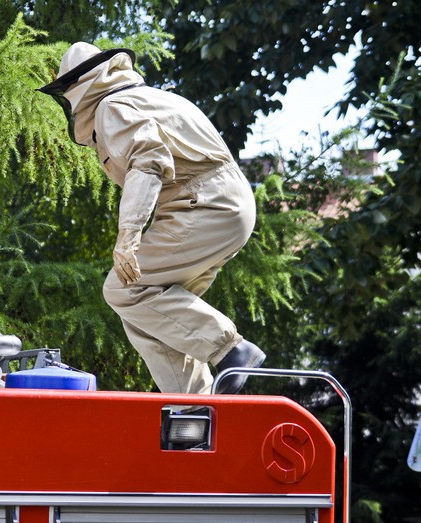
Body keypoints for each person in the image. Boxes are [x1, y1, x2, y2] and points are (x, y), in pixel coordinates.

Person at [38, 42, 266, 395]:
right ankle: (195, 409)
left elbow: (147, 161)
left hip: (205, 202)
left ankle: (232, 349)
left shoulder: (113, 105)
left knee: (123, 288)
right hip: (223, 202)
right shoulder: (145, 98)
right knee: (150, 315)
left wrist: (128, 235)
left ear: (80, 85)